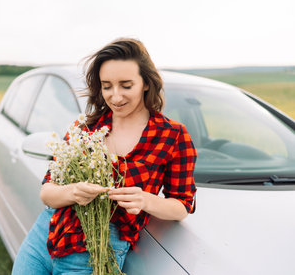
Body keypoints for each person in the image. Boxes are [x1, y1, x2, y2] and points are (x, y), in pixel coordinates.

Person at [12, 38, 197, 274]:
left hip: (97, 251)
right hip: (45, 236)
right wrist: (72, 191)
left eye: (126, 85)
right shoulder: (85, 128)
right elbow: (47, 192)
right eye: (107, 86)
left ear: (146, 83)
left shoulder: (172, 136)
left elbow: (181, 205)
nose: (115, 96)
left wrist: (145, 201)